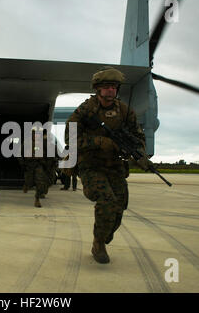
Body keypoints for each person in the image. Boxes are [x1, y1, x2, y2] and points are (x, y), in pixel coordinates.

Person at [64, 66, 147, 264]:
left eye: (114, 87)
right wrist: (99, 142)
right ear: (98, 89)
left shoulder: (125, 112)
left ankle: (103, 236)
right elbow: (70, 137)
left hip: (115, 166)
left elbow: (138, 137)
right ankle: (98, 243)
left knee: (120, 206)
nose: (111, 90)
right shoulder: (86, 110)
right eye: (107, 87)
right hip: (91, 166)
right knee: (107, 201)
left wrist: (139, 153)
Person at [20, 130, 56, 208]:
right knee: (29, 181)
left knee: (40, 181)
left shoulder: (42, 144)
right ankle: (26, 184)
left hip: (38, 165)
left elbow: (49, 153)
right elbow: (20, 154)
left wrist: (48, 162)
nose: (36, 136)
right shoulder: (26, 144)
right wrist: (23, 163)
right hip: (29, 166)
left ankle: (37, 199)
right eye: (34, 135)